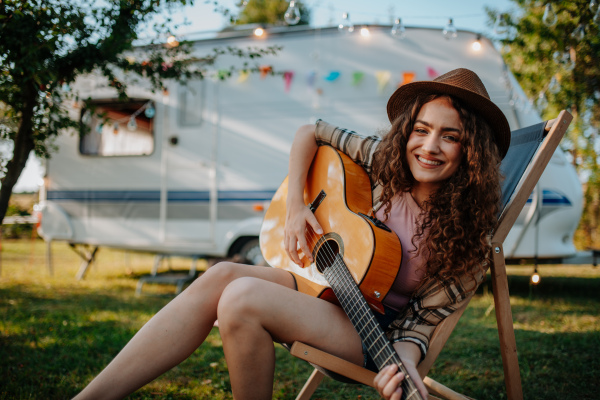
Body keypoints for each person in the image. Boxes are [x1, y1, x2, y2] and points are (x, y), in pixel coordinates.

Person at [73, 68, 510, 400]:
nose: (429, 147)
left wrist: (405, 364)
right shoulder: (384, 161)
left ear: (471, 151)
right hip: (327, 287)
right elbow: (310, 131)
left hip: (371, 327)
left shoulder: (470, 234)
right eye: (421, 129)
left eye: (449, 137)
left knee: (241, 298)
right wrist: (298, 209)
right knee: (222, 276)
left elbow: (422, 325)